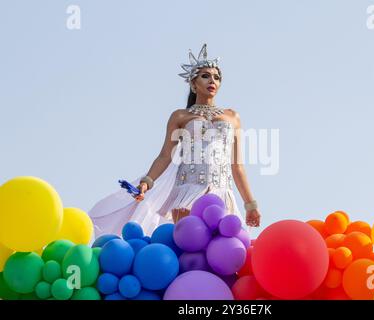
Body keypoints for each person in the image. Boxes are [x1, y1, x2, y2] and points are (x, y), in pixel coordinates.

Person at [88, 44, 261, 237]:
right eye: (205, 76)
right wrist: (147, 182)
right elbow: (164, 156)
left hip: (221, 191)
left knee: (221, 248)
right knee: (189, 243)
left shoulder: (232, 117)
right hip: (186, 192)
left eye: (217, 77)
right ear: (193, 84)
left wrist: (250, 204)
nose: (212, 80)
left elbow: (237, 165)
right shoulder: (180, 116)